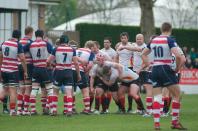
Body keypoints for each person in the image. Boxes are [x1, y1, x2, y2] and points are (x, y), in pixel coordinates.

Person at [141, 22, 187, 130]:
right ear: (170, 29)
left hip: (155, 69)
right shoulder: (169, 40)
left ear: (161, 29)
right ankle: (175, 122)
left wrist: (148, 65)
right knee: (177, 95)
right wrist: (176, 69)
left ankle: (157, 124)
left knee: (157, 97)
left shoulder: (154, 40)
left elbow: (143, 54)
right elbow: (179, 57)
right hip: (165, 68)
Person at [47, 35, 81, 116]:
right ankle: (69, 110)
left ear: (60, 41)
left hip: (58, 71)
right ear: (67, 42)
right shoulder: (72, 49)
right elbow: (76, 63)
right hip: (68, 72)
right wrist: (78, 74)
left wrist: (52, 64)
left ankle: (54, 110)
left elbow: (48, 61)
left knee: (55, 92)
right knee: (69, 92)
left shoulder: (56, 49)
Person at [24, 29, 53, 115]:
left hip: (35, 69)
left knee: (34, 90)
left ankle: (33, 110)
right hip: (44, 68)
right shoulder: (46, 43)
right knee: (50, 89)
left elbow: (22, 50)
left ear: (35, 36)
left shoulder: (31, 44)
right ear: (43, 35)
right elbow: (53, 52)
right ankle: (50, 109)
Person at [0, 30, 27, 116]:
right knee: (13, 91)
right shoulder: (17, 44)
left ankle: (10, 110)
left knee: (5, 89)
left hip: (4, 70)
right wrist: (25, 70)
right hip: (13, 70)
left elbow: (1, 56)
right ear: (19, 37)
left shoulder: (4, 43)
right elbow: (22, 58)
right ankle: (12, 111)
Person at [115, 32, 142, 113]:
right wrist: (116, 66)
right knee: (120, 91)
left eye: (125, 38)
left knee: (132, 91)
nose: (123, 39)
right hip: (121, 70)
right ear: (120, 39)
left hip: (130, 69)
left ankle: (134, 108)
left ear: (128, 38)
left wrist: (126, 47)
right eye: (122, 38)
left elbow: (139, 49)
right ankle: (123, 109)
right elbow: (117, 57)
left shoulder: (131, 45)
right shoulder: (118, 46)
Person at [133, 34, 152, 116]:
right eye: (137, 39)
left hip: (144, 71)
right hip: (135, 71)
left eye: (140, 39)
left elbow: (147, 61)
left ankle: (150, 109)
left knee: (147, 89)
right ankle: (139, 108)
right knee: (136, 90)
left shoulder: (145, 48)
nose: (138, 40)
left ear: (143, 39)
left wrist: (140, 69)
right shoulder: (134, 46)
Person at [17, 26, 34, 115]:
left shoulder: (19, 42)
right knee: (28, 88)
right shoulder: (30, 42)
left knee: (21, 88)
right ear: (31, 32)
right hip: (27, 66)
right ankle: (25, 110)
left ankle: (19, 110)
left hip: (19, 65)